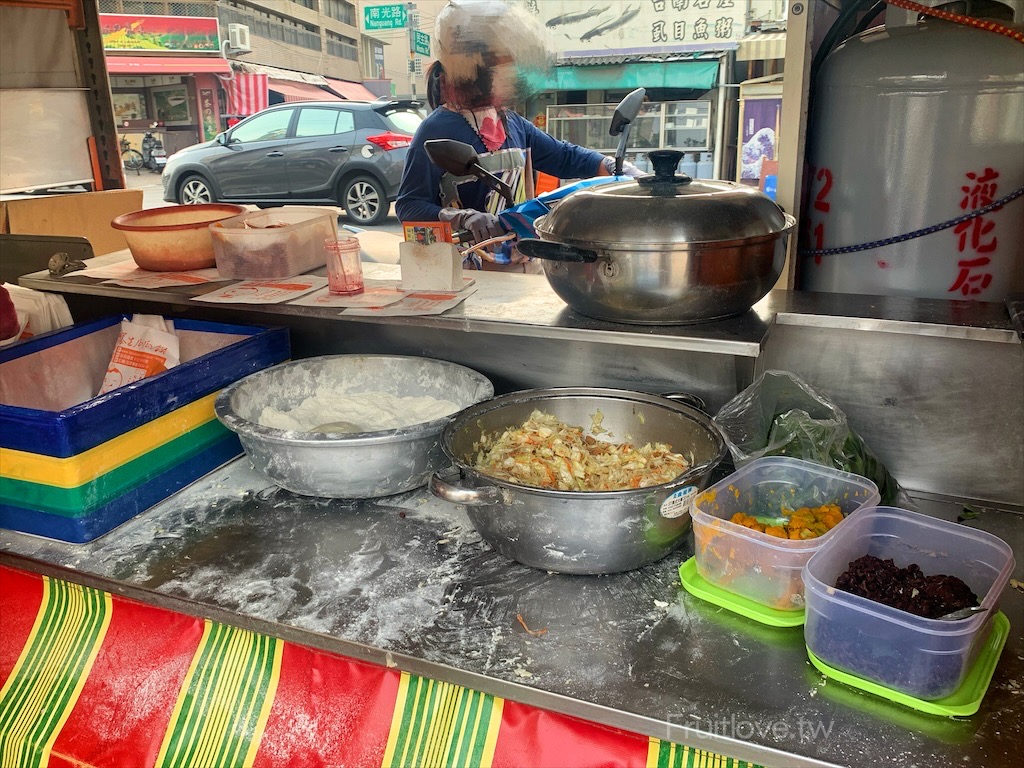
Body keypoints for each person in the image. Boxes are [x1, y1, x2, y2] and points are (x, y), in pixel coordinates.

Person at [396, 0, 636, 272]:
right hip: (467, 270)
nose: (509, 73)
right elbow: (408, 205)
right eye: (501, 65)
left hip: (522, 260)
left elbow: (564, 156)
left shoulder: (513, 123)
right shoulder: (436, 129)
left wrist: (614, 167)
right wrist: (462, 217)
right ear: (474, 69)